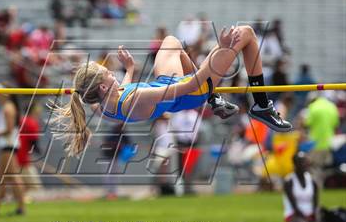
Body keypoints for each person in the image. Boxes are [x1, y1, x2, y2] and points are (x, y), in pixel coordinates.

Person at [52, 26, 292, 157]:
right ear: (104, 86)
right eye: (105, 72)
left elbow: (121, 90)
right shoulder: (135, 97)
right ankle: (260, 105)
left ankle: (215, 98)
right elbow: (188, 85)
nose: (109, 71)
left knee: (171, 40)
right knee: (247, 34)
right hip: (192, 92)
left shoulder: (103, 105)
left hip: (169, 83)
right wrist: (221, 51)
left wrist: (130, 69)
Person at [0, 83, 25, 215]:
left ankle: (20, 207)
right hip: (8, 145)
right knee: (5, 178)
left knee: (12, 177)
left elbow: (8, 130)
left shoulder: (8, 108)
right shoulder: (8, 107)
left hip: (8, 145)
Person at [304, 94, 340, 188]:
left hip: (316, 143)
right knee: (322, 167)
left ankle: (316, 188)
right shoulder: (332, 106)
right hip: (328, 142)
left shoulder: (313, 107)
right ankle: (320, 186)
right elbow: (336, 123)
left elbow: (308, 123)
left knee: (314, 167)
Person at [283, 152, 319, 222]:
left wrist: (314, 216)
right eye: (301, 162)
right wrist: (305, 218)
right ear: (295, 164)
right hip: (294, 215)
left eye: (305, 162)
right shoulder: (289, 181)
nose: (304, 165)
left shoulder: (312, 180)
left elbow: (316, 203)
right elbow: (293, 206)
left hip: (311, 215)